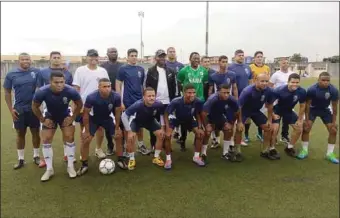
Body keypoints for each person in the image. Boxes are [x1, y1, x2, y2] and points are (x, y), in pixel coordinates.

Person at [31, 71, 83, 181]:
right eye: (56, 82)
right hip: (50, 115)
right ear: (50, 82)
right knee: (46, 138)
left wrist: (72, 118)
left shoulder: (70, 90)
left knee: (69, 137)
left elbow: (79, 104)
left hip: (65, 114)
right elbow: (35, 106)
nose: (59, 85)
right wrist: (42, 120)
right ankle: (49, 169)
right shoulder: (42, 91)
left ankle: (70, 166)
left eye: (62, 82)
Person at [77, 78, 125, 176]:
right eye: (104, 86)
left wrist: (117, 128)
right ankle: (84, 165)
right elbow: (85, 114)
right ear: (99, 87)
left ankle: (120, 159)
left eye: (109, 86)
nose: (107, 89)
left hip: (108, 118)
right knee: (86, 139)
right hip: (93, 119)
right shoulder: (91, 97)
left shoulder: (116, 96)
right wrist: (86, 130)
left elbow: (117, 113)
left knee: (118, 136)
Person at [3, 53, 43, 169]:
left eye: (28, 59)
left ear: (31, 61)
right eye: (23, 59)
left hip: (34, 109)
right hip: (19, 109)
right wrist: (11, 110)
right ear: (18, 61)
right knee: (20, 133)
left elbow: (39, 89)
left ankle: (36, 156)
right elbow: (7, 92)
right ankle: (21, 159)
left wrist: (37, 105)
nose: (26, 61)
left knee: (35, 132)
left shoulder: (36, 72)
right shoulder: (11, 74)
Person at [37, 51, 74, 166]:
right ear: (50, 59)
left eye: (58, 57)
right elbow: (38, 89)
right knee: (47, 135)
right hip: (48, 107)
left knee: (67, 133)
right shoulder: (42, 72)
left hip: (64, 106)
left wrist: (71, 106)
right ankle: (45, 160)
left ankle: (67, 155)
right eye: (54, 57)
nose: (57, 59)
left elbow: (71, 91)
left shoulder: (67, 73)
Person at [73, 49, 110, 159]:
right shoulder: (80, 70)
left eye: (95, 56)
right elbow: (76, 89)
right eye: (91, 56)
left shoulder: (103, 71)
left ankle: (98, 149)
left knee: (100, 128)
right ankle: (84, 152)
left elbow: (107, 87)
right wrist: (76, 105)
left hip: (101, 105)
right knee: (84, 129)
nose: (93, 58)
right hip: (85, 106)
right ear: (86, 57)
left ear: (98, 57)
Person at [298, 72, 339, 164]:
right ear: (318, 80)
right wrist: (307, 120)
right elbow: (307, 105)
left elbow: (335, 107)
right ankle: (304, 150)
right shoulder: (312, 89)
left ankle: (330, 154)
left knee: (333, 130)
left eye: (327, 80)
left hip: (325, 110)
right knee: (306, 128)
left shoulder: (334, 90)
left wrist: (334, 122)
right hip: (312, 109)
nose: (325, 82)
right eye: (323, 80)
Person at [234, 73, 277, 160]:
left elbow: (270, 105)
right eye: (262, 81)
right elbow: (239, 107)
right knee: (239, 129)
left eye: (266, 81)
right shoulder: (247, 91)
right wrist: (239, 122)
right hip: (244, 111)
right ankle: (237, 151)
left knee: (268, 128)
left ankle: (265, 151)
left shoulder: (269, 90)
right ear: (255, 81)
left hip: (256, 111)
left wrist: (269, 119)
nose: (264, 83)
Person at [116, 48, 150, 155]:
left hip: (139, 101)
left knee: (140, 125)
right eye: (132, 55)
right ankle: (127, 147)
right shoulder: (123, 69)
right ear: (128, 57)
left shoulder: (141, 69)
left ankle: (140, 145)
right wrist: (120, 102)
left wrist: (145, 99)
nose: (134, 57)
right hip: (127, 102)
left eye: (135, 55)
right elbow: (118, 85)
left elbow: (142, 85)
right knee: (128, 125)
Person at [121, 87, 165, 170]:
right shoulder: (138, 105)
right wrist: (129, 131)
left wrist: (162, 127)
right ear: (143, 97)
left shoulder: (158, 104)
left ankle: (156, 157)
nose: (151, 98)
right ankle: (131, 159)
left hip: (149, 121)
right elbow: (124, 116)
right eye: (149, 96)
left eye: (153, 95)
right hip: (136, 121)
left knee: (161, 134)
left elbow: (162, 114)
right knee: (131, 137)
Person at [163, 84, 206, 169]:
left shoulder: (197, 101)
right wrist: (167, 127)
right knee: (167, 136)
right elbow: (166, 114)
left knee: (200, 134)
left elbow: (198, 114)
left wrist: (200, 127)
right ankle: (168, 159)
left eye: (194, 92)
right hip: (176, 118)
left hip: (189, 118)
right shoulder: (175, 101)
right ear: (183, 93)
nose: (192, 95)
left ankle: (196, 157)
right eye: (189, 93)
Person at [145, 49, 177, 152]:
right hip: (155, 102)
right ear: (156, 58)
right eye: (160, 56)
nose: (162, 58)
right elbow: (147, 86)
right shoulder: (150, 71)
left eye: (164, 56)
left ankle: (166, 144)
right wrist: (149, 100)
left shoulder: (171, 71)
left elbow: (174, 87)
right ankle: (154, 144)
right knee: (154, 124)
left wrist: (173, 101)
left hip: (167, 102)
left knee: (168, 124)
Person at [201, 83, 243, 162]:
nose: (226, 95)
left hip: (220, 117)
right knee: (207, 132)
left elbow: (238, 110)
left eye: (228, 92)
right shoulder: (212, 99)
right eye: (224, 93)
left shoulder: (231, 99)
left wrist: (239, 122)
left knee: (229, 129)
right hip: (210, 117)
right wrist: (207, 125)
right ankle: (203, 153)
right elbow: (203, 113)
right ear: (218, 92)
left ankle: (225, 153)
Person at [177, 52, 208, 151]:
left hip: (200, 100)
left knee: (200, 120)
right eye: (194, 58)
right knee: (184, 121)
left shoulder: (204, 70)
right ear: (190, 59)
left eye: (198, 58)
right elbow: (179, 82)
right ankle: (183, 140)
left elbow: (205, 84)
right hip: (187, 100)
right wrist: (183, 94)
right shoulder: (184, 70)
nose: (196, 60)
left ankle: (197, 141)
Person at [271, 73, 306, 157]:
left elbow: (302, 105)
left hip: (288, 111)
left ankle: (289, 147)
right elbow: (270, 104)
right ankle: (271, 148)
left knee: (298, 128)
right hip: (277, 110)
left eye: (297, 82)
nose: (295, 84)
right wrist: (272, 115)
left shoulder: (301, 91)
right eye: (293, 82)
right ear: (288, 82)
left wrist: (300, 119)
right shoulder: (279, 90)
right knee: (274, 129)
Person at [208, 55, 238, 149]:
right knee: (216, 122)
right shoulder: (213, 76)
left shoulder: (232, 74)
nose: (225, 64)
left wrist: (236, 100)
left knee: (231, 121)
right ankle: (217, 140)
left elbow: (235, 88)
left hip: (229, 102)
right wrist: (210, 102)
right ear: (219, 63)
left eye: (226, 61)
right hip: (217, 103)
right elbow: (210, 90)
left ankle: (231, 141)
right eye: (223, 62)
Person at [100, 47, 124, 155]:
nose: (114, 53)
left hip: (118, 97)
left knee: (121, 122)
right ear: (107, 54)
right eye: (111, 52)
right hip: (106, 98)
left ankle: (121, 145)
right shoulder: (103, 67)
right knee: (107, 122)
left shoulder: (122, 66)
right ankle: (110, 145)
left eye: (115, 51)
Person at [228, 49, 253, 145]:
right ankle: (230, 139)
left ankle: (239, 139)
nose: (241, 57)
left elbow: (250, 81)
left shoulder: (247, 67)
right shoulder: (230, 67)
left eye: (243, 55)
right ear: (235, 56)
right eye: (239, 55)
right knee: (232, 118)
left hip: (246, 97)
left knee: (243, 119)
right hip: (235, 97)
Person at [269, 57, 294, 144]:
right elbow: (270, 86)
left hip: (289, 102)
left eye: (287, 63)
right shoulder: (276, 74)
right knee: (276, 120)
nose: (285, 64)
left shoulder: (292, 74)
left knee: (286, 120)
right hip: (278, 102)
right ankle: (274, 137)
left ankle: (284, 136)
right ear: (280, 64)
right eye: (283, 63)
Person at [249, 51, 271, 142]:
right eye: (258, 57)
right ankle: (246, 135)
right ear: (254, 58)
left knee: (261, 114)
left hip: (262, 94)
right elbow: (249, 80)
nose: (259, 58)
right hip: (253, 93)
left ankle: (260, 134)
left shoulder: (267, 68)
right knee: (247, 119)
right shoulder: (250, 67)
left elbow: (268, 81)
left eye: (261, 57)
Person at [165, 47, 185, 141]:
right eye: (170, 52)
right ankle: (168, 132)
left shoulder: (180, 65)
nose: (172, 53)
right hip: (167, 93)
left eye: (173, 52)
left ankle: (178, 132)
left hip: (178, 93)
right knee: (168, 113)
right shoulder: (164, 64)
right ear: (167, 53)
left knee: (179, 112)